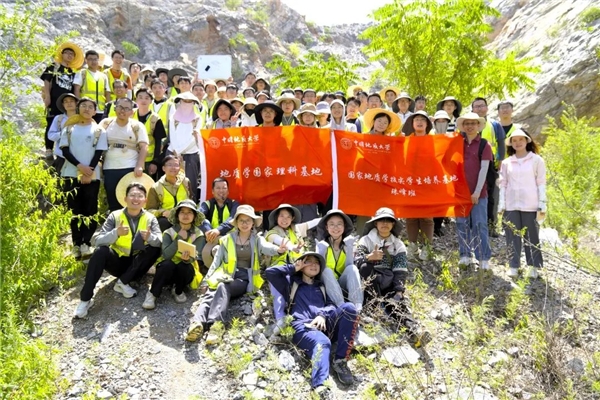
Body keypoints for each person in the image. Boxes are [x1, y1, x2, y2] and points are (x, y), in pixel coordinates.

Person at [185, 205, 285, 343]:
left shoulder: (257, 239)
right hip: (225, 274)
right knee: (211, 293)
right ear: (236, 223)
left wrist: (279, 250)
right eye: (241, 220)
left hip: (244, 278)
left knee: (223, 287)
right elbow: (217, 261)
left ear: (252, 223)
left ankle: (216, 326)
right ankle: (196, 323)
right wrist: (206, 280)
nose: (244, 224)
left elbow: (268, 248)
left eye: (248, 221)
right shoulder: (227, 239)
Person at [265, 252, 359, 398]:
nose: (314, 265)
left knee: (349, 308)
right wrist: (293, 268)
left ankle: (340, 360)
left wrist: (322, 314)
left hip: (324, 324)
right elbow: (270, 272)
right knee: (322, 342)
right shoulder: (291, 284)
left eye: (317, 262)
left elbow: (331, 305)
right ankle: (320, 386)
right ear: (301, 265)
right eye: (309, 262)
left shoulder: (320, 286)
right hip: (301, 326)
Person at [74, 182, 162, 318]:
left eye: (140, 196)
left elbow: (160, 242)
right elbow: (97, 241)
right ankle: (85, 300)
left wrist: (150, 237)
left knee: (154, 248)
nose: (136, 199)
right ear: (125, 198)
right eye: (132, 195)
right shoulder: (114, 216)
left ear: (145, 200)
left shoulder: (150, 218)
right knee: (100, 252)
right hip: (118, 261)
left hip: (137, 265)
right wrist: (116, 233)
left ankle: (123, 282)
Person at [355, 207, 431, 347]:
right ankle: (371, 313)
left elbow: (400, 270)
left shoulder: (398, 244)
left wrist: (398, 290)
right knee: (366, 268)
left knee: (397, 305)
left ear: (393, 224)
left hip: (388, 282)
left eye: (388, 221)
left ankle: (414, 331)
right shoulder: (365, 240)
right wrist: (369, 257)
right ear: (375, 223)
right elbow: (356, 261)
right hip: (369, 281)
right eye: (381, 221)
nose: (385, 224)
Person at [59, 97, 108, 258]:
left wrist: (88, 171)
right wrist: (81, 168)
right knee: (74, 210)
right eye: (84, 106)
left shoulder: (99, 130)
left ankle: (87, 242)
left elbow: (98, 153)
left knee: (90, 209)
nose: (87, 109)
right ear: (78, 108)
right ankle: (76, 243)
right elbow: (65, 151)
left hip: (92, 175)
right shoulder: (68, 128)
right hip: (71, 173)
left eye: (90, 107)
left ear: (95, 111)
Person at [498, 129, 546, 279]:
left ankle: (533, 266)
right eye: (514, 140)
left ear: (527, 141)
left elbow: (541, 183)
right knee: (511, 235)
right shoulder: (506, 163)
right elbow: (503, 184)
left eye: (521, 139)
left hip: (531, 204)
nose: (518, 143)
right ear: (511, 144)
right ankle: (513, 265)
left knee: (532, 236)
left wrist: (542, 203)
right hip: (511, 204)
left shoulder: (537, 160)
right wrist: (502, 204)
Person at [142, 200, 206, 309]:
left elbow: (195, 256)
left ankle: (178, 291)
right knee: (167, 264)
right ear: (177, 215)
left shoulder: (199, 235)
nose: (185, 215)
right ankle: (153, 294)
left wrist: (187, 259)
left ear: (194, 216)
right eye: (182, 212)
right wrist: (178, 238)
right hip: (168, 271)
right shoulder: (168, 232)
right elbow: (166, 255)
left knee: (184, 266)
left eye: (189, 212)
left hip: (185, 272)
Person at [455, 112, 493, 269]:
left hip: (479, 194)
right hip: (459, 193)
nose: (470, 126)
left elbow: (484, 169)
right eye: (467, 123)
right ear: (463, 126)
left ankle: (483, 257)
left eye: (473, 123)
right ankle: (465, 255)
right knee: (461, 224)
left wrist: (476, 192)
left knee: (479, 224)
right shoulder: (457, 143)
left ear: (478, 126)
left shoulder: (484, 144)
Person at [101, 97, 149, 211]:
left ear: (132, 112)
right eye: (120, 107)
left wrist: (139, 165)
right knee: (112, 201)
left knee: (131, 201)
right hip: (110, 167)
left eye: (126, 108)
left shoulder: (137, 126)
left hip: (130, 168)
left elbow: (144, 147)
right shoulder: (106, 123)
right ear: (115, 108)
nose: (122, 111)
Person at [401, 111, 435, 260]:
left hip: (428, 183)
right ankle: (413, 245)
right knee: (411, 216)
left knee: (427, 217)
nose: (420, 122)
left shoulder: (433, 141)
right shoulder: (405, 141)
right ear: (412, 124)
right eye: (417, 120)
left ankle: (427, 247)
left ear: (427, 124)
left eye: (423, 120)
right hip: (410, 182)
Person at [41, 42, 83, 160]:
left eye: (72, 54)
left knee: (66, 123)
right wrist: (47, 96)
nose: (69, 55)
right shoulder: (54, 66)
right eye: (67, 53)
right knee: (51, 123)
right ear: (62, 54)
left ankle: (63, 149)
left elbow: (75, 88)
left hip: (67, 102)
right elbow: (47, 81)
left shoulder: (73, 73)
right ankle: (49, 150)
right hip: (54, 100)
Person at [471, 97, 506, 237]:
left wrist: (501, 160)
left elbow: (501, 143)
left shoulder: (494, 125)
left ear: (487, 107)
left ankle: (491, 226)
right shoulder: (469, 124)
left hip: (491, 165)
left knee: (492, 196)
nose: (479, 108)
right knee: (474, 194)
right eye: (476, 106)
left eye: (482, 106)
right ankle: (475, 224)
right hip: (473, 165)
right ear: (472, 109)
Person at [316, 209, 363, 312]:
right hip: (326, 286)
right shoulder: (321, 245)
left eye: (339, 224)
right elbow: (318, 271)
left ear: (344, 226)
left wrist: (350, 247)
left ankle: (357, 308)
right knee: (326, 270)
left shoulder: (349, 243)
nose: (335, 228)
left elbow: (349, 268)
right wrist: (321, 252)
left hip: (342, 284)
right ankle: (341, 307)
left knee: (353, 268)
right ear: (326, 227)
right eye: (331, 224)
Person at [168, 92, 203, 201]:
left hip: (191, 154)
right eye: (184, 101)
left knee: (190, 182)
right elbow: (172, 135)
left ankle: (191, 205)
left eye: (189, 101)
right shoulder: (173, 117)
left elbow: (194, 138)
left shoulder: (197, 119)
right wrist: (176, 153)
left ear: (194, 103)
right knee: (171, 180)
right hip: (172, 153)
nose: (187, 103)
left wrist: (180, 151)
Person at [199, 177, 240, 267]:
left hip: (230, 238)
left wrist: (218, 231)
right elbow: (198, 217)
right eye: (218, 188)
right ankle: (200, 264)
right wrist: (208, 232)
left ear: (228, 191)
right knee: (203, 221)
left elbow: (232, 219)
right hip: (211, 239)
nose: (221, 190)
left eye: (224, 188)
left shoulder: (234, 204)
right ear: (212, 191)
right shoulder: (207, 204)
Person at [146, 155, 193, 231]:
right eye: (170, 165)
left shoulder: (186, 182)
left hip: (186, 215)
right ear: (163, 168)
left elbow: (191, 199)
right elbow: (149, 210)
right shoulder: (156, 187)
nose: (173, 168)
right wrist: (162, 212)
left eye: (176, 165)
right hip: (168, 218)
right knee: (162, 223)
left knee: (203, 223)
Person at [133, 88, 167, 179]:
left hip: (148, 160)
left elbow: (159, 142)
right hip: (131, 157)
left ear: (151, 101)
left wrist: (155, 162)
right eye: (140, 97)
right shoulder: (130, 115)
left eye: (147, 98)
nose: (143, 100)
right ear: (136, 100)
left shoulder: (155, 118)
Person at [73, 50, 111, 123]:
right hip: (86, 110)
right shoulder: (82, 73)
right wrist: (78, 107)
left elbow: (107, 93)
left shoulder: (103, 76)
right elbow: (76, 90)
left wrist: (108, 109)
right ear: (86, 60)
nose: (93, 61)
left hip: (100, 110)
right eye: (90, 59)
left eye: (95, 59)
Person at [47, 93, 78, 174]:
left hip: (79, 158)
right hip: (61, 157)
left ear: (76, 103)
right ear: (63, 105)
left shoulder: (82, 119)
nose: (69, 103)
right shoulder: (58, 119)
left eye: (71, 101)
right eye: (66, 102)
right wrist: (64, 133)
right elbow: (50, 135)